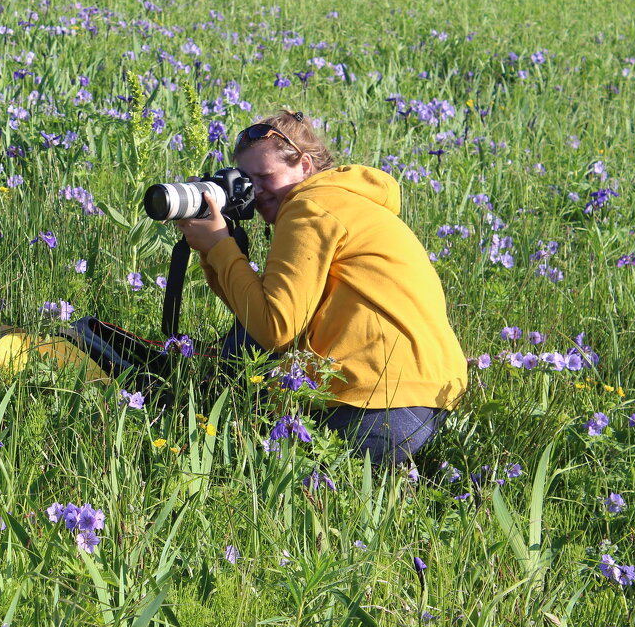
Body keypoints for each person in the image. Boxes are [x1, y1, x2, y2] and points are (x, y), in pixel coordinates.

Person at [175, 109, 468, 464]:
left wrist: (221, 247)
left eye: (265, 176)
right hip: (427, 396)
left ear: (305, 165)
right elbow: (258, 318)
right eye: (246, 181)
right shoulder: (345, 202)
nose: (256, 192)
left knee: (245, 469)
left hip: (374, 402)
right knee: (242, 353)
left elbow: (275, 330)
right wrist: (215, 251)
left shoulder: (309, 207)